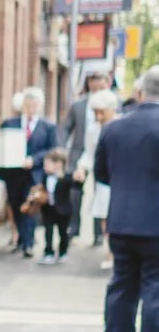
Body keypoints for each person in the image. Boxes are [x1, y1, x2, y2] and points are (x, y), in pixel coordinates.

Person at [94, 65, 159, 332]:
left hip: (121, 221)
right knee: (155, 290)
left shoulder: (114, 128)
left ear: (140, 92)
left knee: (121, 287)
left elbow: (102, 174)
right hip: (156, 225)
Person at [0, 86, 59, 257]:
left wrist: (35, 160)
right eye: (27, 105)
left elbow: (52, 149)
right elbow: (0, 144)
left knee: (30, 206)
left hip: (35, 174)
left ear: (39, 106)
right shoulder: (10, 124)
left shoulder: (48, 127)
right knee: (16, 205)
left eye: (34, 105)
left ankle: (28, 244)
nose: (30, 108)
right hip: (14, 174)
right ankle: (22, 238)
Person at [63, 67, 112, 240]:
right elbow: (66, 128)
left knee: (102, 192)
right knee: (75, 193)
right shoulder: (78, 105)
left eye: (100, 80)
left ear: (107, 83)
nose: (96, 84)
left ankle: (99, 233)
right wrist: (62, 149)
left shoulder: (114, 104)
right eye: (92, 80)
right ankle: (74, 228)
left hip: (105, 155)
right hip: (81, 153)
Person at [75, 88, 122, 253]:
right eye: (95, 112)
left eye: (102, 112)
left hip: (121, 178)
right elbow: (89, 154)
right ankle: (109, 251)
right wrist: (81, 168)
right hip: (103, 179)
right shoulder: (93, 129)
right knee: (103, 215)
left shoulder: (122, 126)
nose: (98, 117)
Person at [32, 148, 80, 264]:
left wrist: (79, 180)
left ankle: (63, 252)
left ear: (58, 165)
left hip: (63, 211)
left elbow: (76, 186)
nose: (45, 167)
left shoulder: (66, 177)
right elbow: (42, 188)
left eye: (47, 165)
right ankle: (49, 252)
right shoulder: (45, 176)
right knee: (48, 231)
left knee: (63, 232)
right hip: (48, 208)